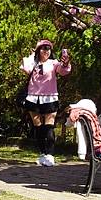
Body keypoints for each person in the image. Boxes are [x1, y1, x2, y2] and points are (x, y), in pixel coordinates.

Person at [20, 38, 71, 167]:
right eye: (43, 48)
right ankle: (42, 154)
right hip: (33, 98)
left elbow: (64, 71)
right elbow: (26, 68)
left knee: (49, 127)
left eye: (48, 48)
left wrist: (65, 63)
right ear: (38, 50)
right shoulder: (33, 63)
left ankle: (50, 155)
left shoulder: (54, 63)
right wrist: (32, 55)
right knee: (38, 128)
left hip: (50, 98)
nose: (46, 51)